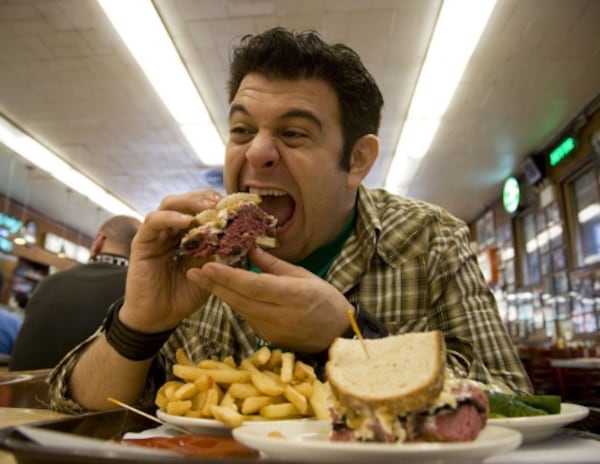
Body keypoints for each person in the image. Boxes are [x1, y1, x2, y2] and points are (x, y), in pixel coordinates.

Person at [48, 27, 532, 413]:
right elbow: (77, 406)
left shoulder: (431, 239)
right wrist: (141, 322)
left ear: (358, 161)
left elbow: (515, 402)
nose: (256, 151)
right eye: (241, 130)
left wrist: (347, 338)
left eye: (294, 133)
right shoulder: (195, 256)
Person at [8, 215, 141, 371]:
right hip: (86, 394)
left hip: (17, 392)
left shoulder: (49, 282)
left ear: (99, 241)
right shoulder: (137, 294)